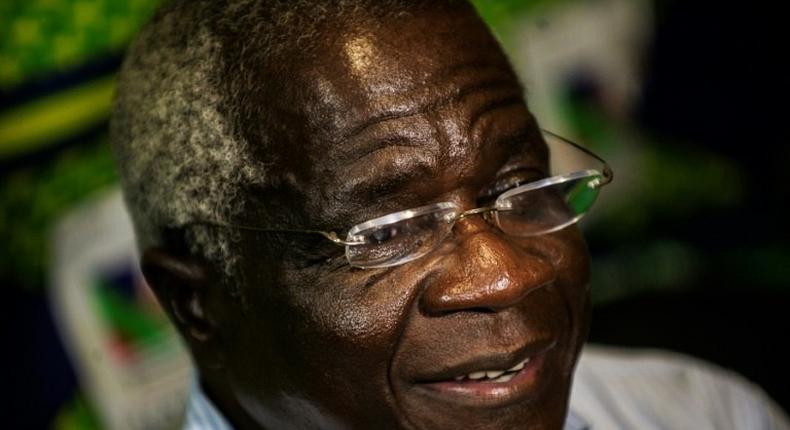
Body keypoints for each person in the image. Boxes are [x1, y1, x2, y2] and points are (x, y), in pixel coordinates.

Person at [110, 1, 789, 429]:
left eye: (519, 186)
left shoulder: (698, 412)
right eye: (390, 231)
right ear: (198, 303)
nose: (506, 276)